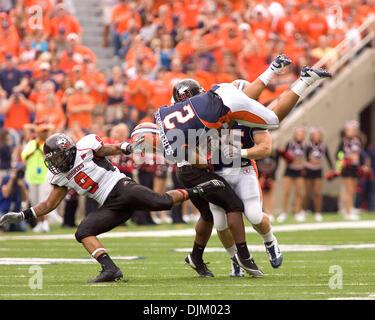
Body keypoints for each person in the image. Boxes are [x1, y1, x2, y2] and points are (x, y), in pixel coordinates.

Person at [155, 55, 331, 277]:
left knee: (253, 215)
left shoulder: (182, 113)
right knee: (219, 221)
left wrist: (239, 152)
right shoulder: (208, 104)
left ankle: (260, 247)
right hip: (218, 170)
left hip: (242, 168)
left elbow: (262, 142)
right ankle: (235, 260)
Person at [0, 133, 225, 283]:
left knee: (162, 202)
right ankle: (110, 269)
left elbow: (109, 148)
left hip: (121, 186)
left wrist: (125, 147)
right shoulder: (60, 175)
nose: (56, 164)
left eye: (58, 158)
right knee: (83, 232)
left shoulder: (85, 148)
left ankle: (201, 189)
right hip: (110, 204)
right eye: (53, 160)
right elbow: (49, 204)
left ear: (68, 150)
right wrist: (22, 215)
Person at [21, 123, 57, 232]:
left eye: (46, 131)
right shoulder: (32, 143)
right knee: (35, 202)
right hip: (32, 177)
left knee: (44, 201)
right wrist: (34, 150)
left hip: (44, 177)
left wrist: (40, 150)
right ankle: (40, 223)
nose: (44, 133)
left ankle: (45, 222)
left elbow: (49, 156)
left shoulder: (48, 144)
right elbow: (24, 156)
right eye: (43, 131)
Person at [278, 127, 307, 223]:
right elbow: (284, 156)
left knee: (299, 193)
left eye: (301, 133)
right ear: (295, 134)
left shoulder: (305, 145)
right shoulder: (290, 144)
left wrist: (301, 164)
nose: (299, 135)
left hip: (299, 171)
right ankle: (284, 212)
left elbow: (308, 158)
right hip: (289, 170)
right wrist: (289, 159)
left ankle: (297, 212)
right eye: (298, 133)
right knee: (286, 192)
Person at [303, 128, 334, 222]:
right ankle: (303, 211)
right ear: (312, 136)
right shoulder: (308, 145)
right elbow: (304, 157)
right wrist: (310, 160)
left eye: (318, 135)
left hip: (318, 171)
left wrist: (333, 169)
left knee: (318, 193)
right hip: (308, 170)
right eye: (315, 135)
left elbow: (328, 158)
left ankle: (318, 213)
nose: (316, 137)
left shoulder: (323, 146)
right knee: (308, 193)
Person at [336, 121, 363, 220]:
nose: (351, 132)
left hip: (355, 169)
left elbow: (360, 154)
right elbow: (338, 155)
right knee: (348, 190)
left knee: (353, 191)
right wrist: (345, 158)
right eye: (349, 130)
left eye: (352, 130)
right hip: (346, 169)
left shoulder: (357, 141)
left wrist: (362, 165)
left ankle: (350, 208)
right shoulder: (343, 142)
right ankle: (347, 212)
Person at [0, 164, 28, 232]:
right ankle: (6, 227)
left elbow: (25, 199)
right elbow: (5, 194)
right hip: (4, 210)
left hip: (16, 212)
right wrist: (12, 180)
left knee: (22, 228)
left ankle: (9, 227)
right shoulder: (6, 179)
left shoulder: (23, 182)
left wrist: (22, 186)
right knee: (4, 225)